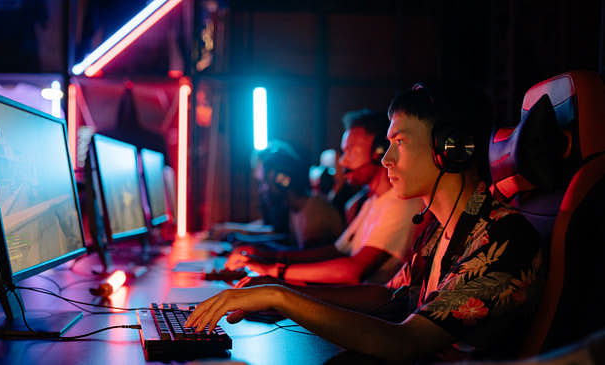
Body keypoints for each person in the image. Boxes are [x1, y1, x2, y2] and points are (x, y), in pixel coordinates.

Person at [186, 83, 545, 362]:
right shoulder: (442, 229)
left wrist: (281, 295)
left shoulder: (503, 238)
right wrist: (280, 297)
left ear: (449, 148)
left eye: (399, 142)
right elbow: (391, 296)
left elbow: (405, 342)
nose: (385, 159)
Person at [226, 109, 425, 285]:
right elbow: (337, 251)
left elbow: (353, 270)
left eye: (350, 150)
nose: (344, 160)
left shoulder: (401, 203)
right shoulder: (372, 201)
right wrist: (269, 258)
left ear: (378, 151)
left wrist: (275, 270)